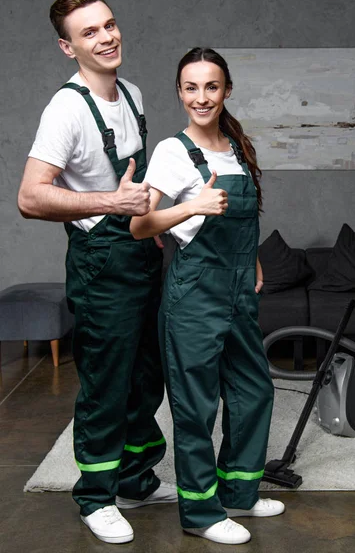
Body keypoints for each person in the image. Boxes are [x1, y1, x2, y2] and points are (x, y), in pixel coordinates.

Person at [17, 0, 177, 545]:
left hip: (141, 253)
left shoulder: (131, 93)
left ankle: (135, 479)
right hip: (101, 263)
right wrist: (113, 203)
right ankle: (95, 496)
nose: (106, 37)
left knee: (145, 378)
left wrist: (158, 220)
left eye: (108, 24)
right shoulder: (65, 108)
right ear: (68, 47)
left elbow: (136, 184)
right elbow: (31, 197)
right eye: (89, 32)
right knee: (106, 384)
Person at [130, 47, 285, 545]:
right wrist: (191, 206)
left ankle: (238, 493)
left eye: (211, 86)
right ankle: (200, 513)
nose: (202, 97)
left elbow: (244, 216)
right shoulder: (173, 152)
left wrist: (254, 258)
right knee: (195, 406)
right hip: (195, 292)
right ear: (180, 92)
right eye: (191, 87)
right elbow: (139, 225)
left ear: (227, 90)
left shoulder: (235, 145)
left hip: (239, 289)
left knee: (253, 390)